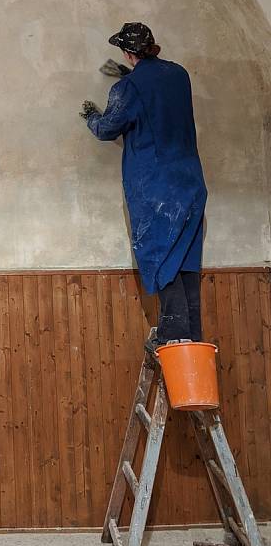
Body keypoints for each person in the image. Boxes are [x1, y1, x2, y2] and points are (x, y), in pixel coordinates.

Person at [80, 22, 207, 350]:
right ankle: (192, 338)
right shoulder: (179, 74)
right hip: (191, 184)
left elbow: (109, 128)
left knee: (161, 257)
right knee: (186, 260)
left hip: (156, 190)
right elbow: (161, 91)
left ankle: (173, 336)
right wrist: (130, 75)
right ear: (152, 46)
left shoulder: (128, 89)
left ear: (125, 52)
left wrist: (92, 116)